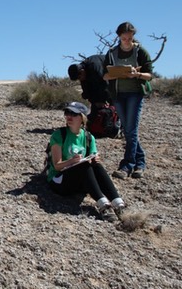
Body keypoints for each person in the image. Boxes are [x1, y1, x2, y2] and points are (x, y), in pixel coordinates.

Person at [47, 102, 126, 222]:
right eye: (67, 113)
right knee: (83, 165)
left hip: (80, 181)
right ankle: (103, 205)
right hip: (59, 181)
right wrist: (72, 161)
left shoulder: (89, 137)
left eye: (74, 114)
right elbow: (57, 166)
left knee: (96, 165)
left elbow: (93, 156)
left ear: (82, 117)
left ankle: (118, 203)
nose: (69, 117)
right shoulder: (59, 135)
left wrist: (95, 159)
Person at [103, 22, 153, 179]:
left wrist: (136, 75)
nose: (126, 40)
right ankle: (140, 163)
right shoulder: (111, 53)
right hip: (118, 94)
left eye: (129, 37)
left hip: (135, 94)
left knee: (131, 129)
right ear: (119, 36)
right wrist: (116, 73)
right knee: (127, 129)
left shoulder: (140, 52)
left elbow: (149, 75)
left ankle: (127, 165)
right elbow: (105, 75)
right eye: (124, 37)